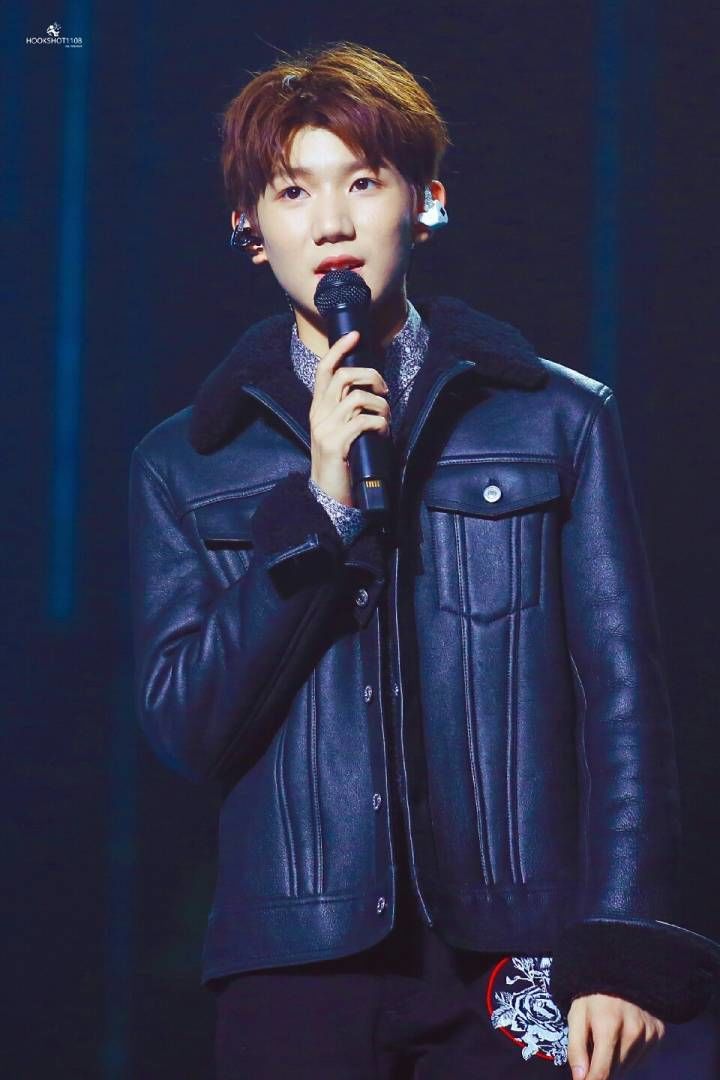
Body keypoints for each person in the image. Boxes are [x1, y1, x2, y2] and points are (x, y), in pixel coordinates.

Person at [128, 41, 719, 1079]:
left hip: (515, 953)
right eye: (292, 191)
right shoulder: (184, 463)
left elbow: (623, 703)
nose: (332, 222)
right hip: (294, 966)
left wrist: (622, 947)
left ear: (427, 202)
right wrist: (318, 510)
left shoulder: (555, 420)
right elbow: (186, 726)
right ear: (249, 230)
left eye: (363, 182)